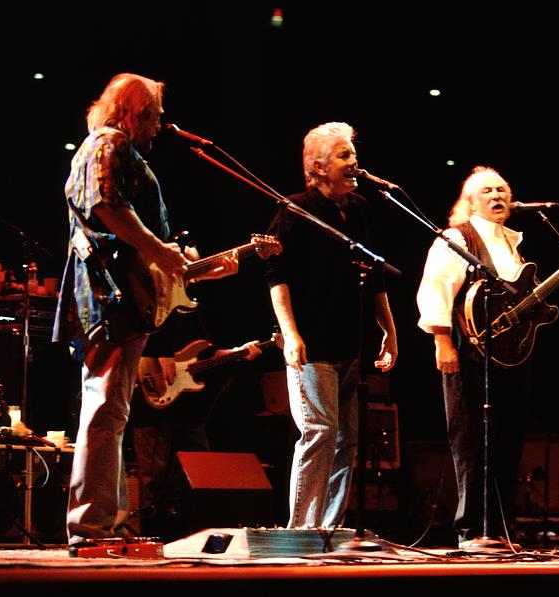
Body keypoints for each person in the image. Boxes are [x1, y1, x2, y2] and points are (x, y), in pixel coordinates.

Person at [52, 73, 237, 546]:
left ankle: (104, 524)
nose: (160, 124)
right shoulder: (107, 143)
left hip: (121, 294)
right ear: (134, 113)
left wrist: (197, 270)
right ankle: (91, 528)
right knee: (105, 409)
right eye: (154, 115)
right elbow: (108, 205)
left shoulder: (116, 149)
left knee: (112, 411)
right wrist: (160, 249)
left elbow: (139, 247)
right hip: (110, 297)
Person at [264, 122, 398, 530]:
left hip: (349, 344)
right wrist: (290, 334)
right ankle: (301, 530)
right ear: (318, 167)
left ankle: (329, 529)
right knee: (319, 434)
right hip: (312, 346)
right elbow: (276, 277)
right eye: (343, 156)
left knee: (348, 443)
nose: (354, 162)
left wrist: (389, 331)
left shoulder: (358, 209)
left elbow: (374, 277)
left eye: (353, 154)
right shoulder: (294, 210)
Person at [417, 166, 533, 548]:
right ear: (470, 202)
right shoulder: (456, 238)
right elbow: (436, 291)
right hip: (467, 354)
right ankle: (471, 529)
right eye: (487, 191)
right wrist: (442, 342)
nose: (497, 195)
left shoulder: (510, 244)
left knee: (508, 440)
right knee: (470, 442)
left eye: (502, 189)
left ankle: (499, 526)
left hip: (506, 359)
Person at [129, 311, 262, 540]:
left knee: (200, 478)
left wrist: (237, 353)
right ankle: (152, 539)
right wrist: (157, 351)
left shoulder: (194, 310)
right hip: (154, 407)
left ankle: (194, 536)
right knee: (153, 480)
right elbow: (134, 332)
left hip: (191, 412)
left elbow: (208, 353)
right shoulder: (158, 303)